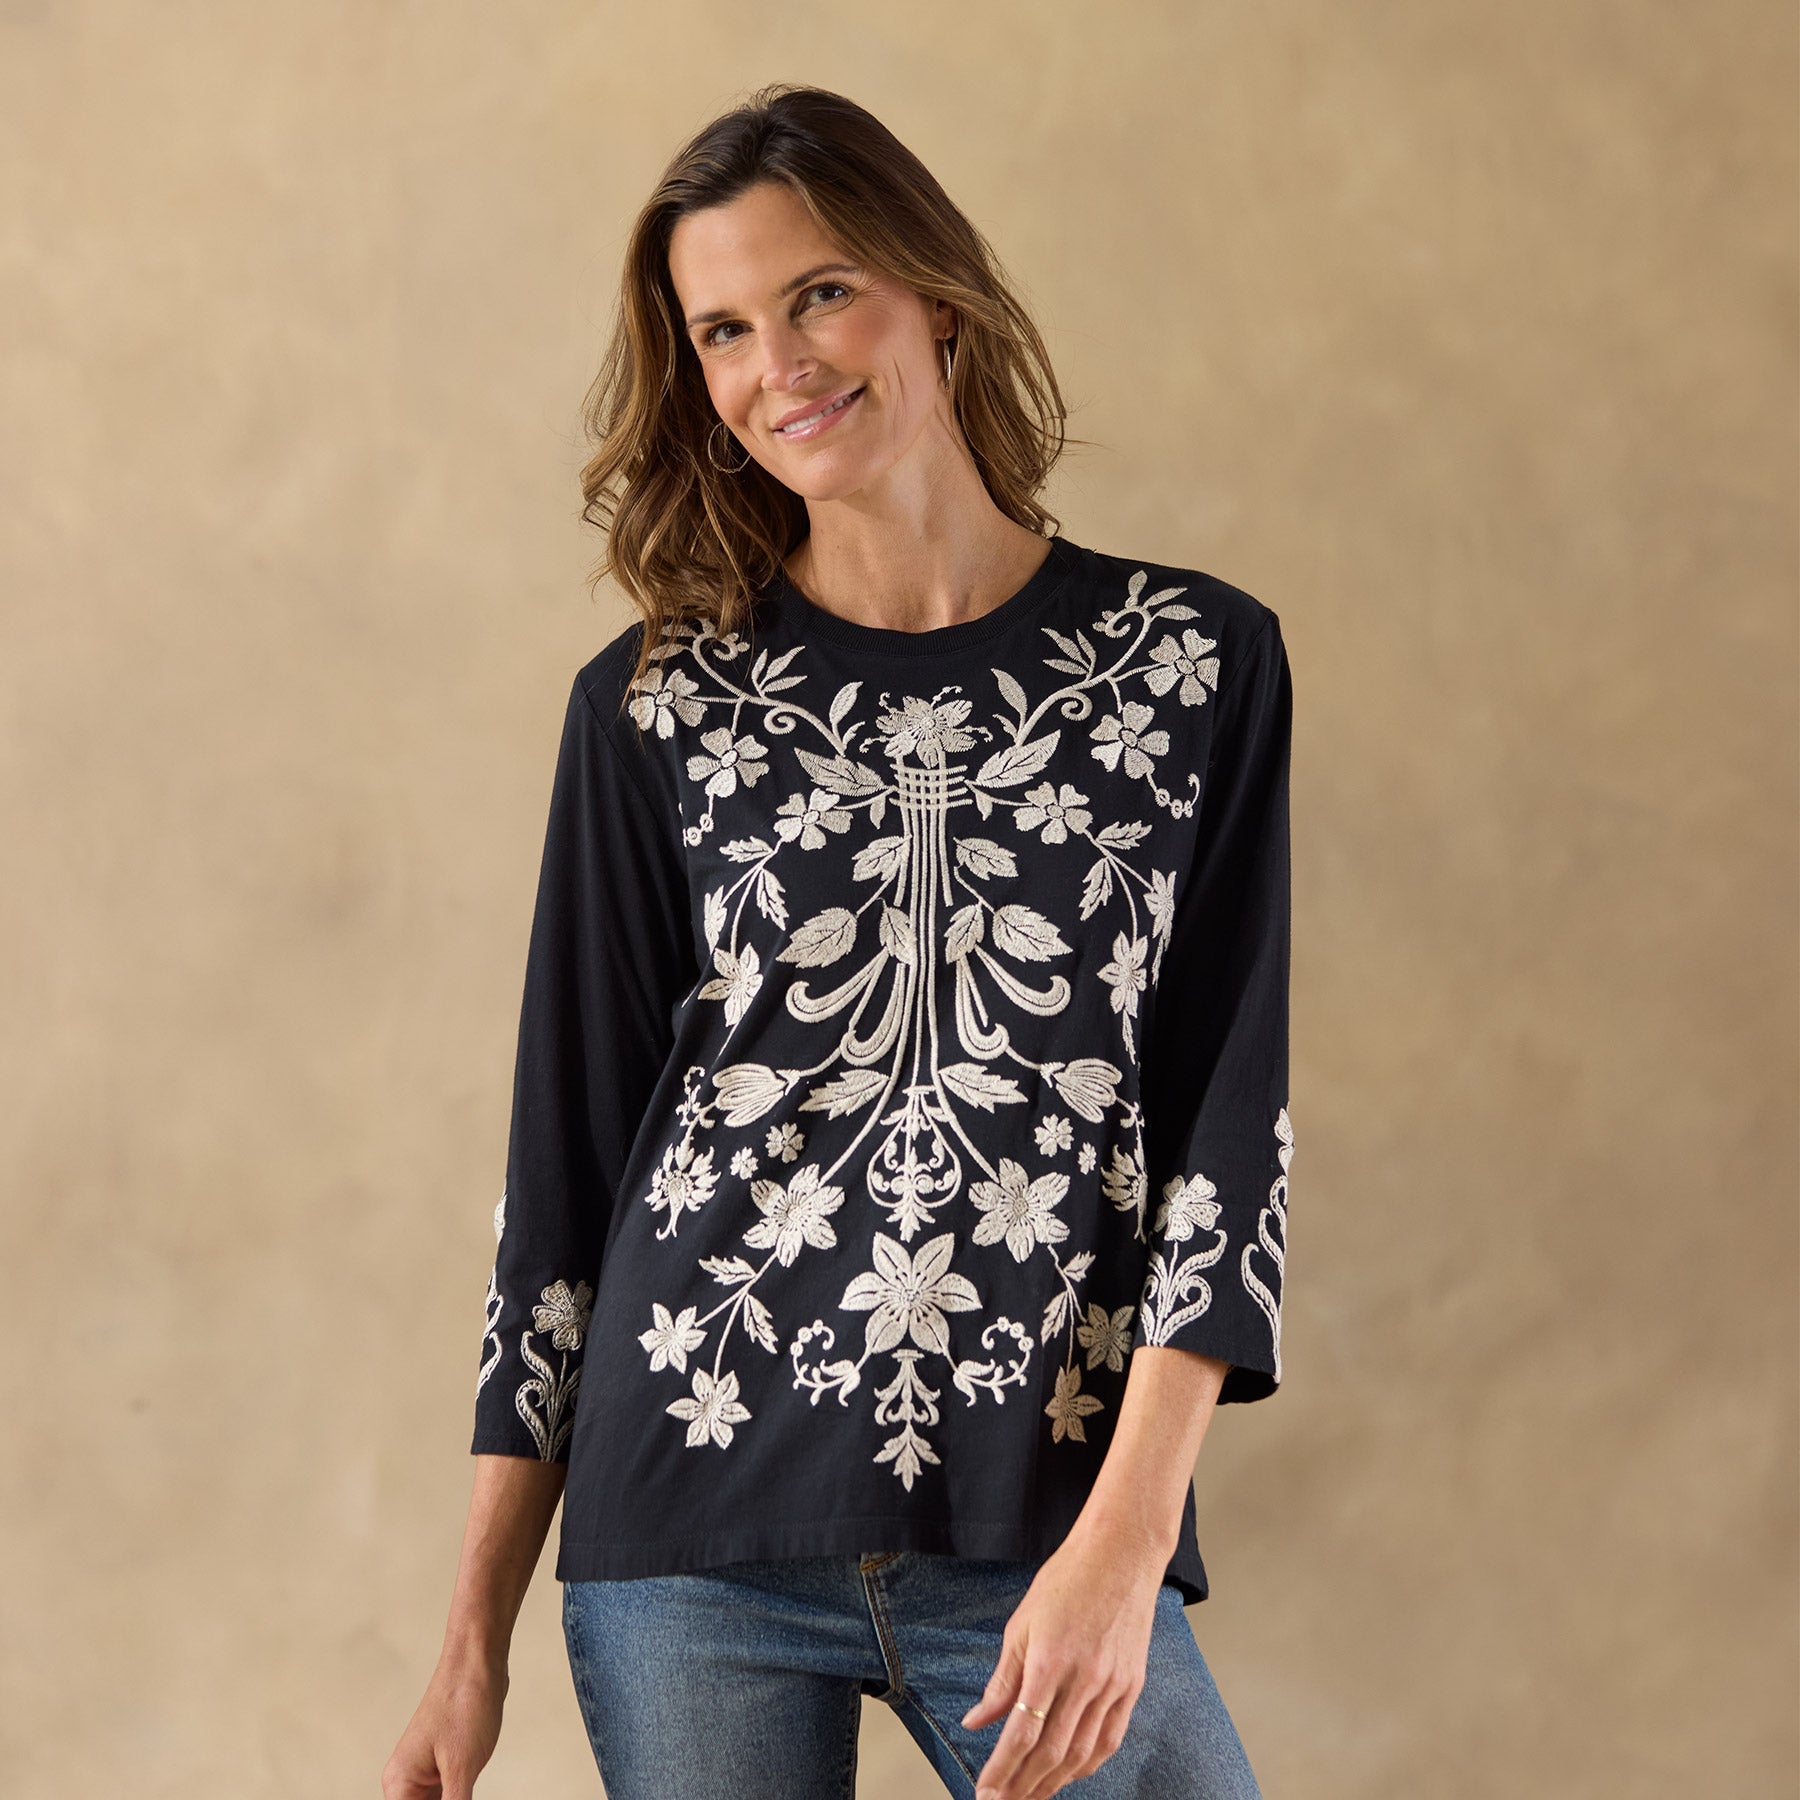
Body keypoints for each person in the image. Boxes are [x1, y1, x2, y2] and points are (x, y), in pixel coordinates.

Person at [385, 82, 1293, 1800]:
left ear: (932, 294)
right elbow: (562, 1175)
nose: (779, 364)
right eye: (722, 330)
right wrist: (470, 1636)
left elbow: (1226, 1141)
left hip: (1040, 1509)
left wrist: (1122, 1552)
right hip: (689, 1527)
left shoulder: (1191, 662)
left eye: (819, 294)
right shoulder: (656, 704)